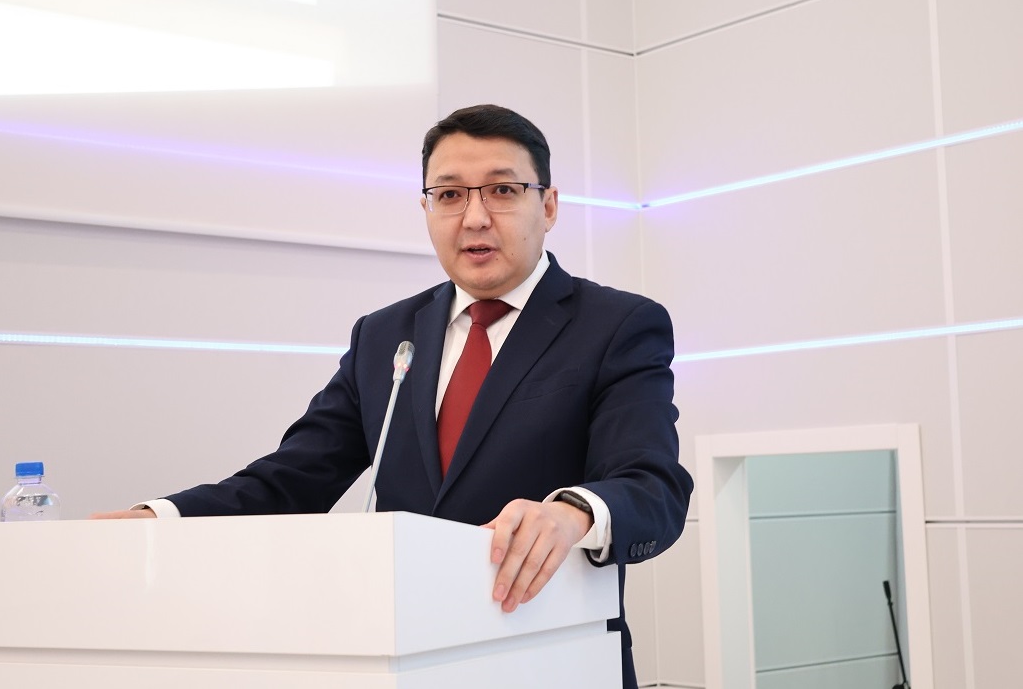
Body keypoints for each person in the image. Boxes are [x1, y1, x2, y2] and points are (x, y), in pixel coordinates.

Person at [93, 104, 693, 689]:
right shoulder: (385, 335)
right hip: (405, 658)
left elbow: (652, 486)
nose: (475, 217)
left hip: (551, 657)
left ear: (550, 205)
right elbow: (293, 478)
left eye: (502, 191)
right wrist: (162, 518)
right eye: (450, 194)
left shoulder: (615, 324)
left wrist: (573, 511)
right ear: (427, 208)